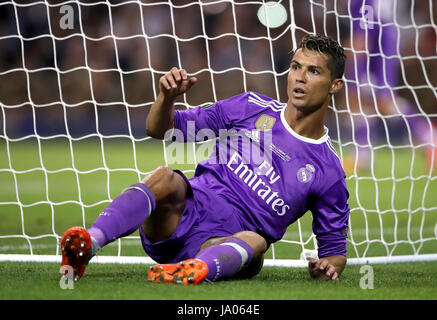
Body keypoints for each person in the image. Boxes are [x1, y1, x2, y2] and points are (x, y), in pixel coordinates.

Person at [60, 34, 350, 284]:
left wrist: (326, 268)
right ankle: (88, 243)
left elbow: (334, 254)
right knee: (165, 177)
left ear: (334, 85)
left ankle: (192, 271)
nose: (300, 77)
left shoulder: (328, 171)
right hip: (179, 218)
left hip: (225, 246)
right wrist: (166, 98)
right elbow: (160, 129)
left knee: (257, 242)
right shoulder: (250, 107)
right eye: (296, 67)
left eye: (313, 71)